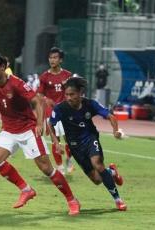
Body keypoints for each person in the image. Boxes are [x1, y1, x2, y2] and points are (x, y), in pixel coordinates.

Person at [0, 52, 80, 216]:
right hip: (9, 130)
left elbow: (38, 101)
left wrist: (40, 123)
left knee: (46, 168)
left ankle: (72, 200)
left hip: (28, 129)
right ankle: (26, 190)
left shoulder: (16, 84)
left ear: (3, 67)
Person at [48, 77, 127, 211]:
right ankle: (111, 172)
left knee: (97, 163)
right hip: (75, 147)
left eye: (72, 94)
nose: (68, 97)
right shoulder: (60, 108)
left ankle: (118, 200)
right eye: (66, 94)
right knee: (97, 179)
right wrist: (56, 142)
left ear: (80, 93)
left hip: (90, 139)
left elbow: (111, 116)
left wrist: (115, 131)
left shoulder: (90, 104)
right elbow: (50, 124)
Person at [37, 47, 74, 175]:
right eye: (50, 57)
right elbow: (39, 95)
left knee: (69, 139)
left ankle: (69, 159)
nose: (52, 60)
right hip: (51, 112)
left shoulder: (67, 75)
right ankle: (59, 167)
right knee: (55, 140)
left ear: (60, 60)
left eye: (55, 58)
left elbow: (73, 93)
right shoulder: (44, 76)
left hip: (66, 112)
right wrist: (46, 99)